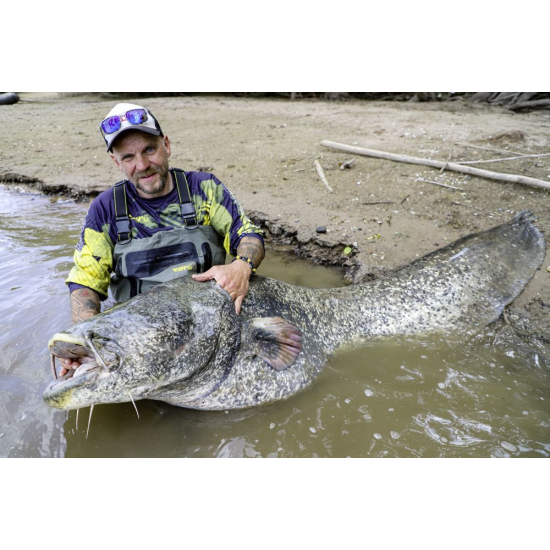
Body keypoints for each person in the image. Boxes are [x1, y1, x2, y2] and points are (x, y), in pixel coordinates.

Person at [59, 103, 264, 375]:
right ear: (116, 162)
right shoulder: (104, 208)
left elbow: (247, 234)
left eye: (149, 150)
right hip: (140, 334)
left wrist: (241, 267)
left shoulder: (204, 188)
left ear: (166, 145)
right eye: (128, 157)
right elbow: (85, 282)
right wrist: (84, 340)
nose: (142, 165)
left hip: (205, 323)